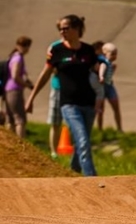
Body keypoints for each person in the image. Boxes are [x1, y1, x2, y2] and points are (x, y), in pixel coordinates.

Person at [26, 15, 99, 176]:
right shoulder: (57, 51)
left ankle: (74, 170)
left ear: (77, 29)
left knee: (83, 141)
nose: (62, 32)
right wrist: (31, 98)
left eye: (66, 28)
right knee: (83, 141)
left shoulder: (88, 50)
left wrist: (104, 72)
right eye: (60, 29)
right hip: (69, 104)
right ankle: (91, 178)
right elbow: (44, 75)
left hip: (88, 103)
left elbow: (97, 71)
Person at [3, 36, 34, 138]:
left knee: (10, 119)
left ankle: (11, 146)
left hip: (7, 90)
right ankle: (21, 146)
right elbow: (15, 75)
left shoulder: (13, 56)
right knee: (20, 119)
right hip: (14, 90)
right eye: (25, 46)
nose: (26, 49)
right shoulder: (18, 58)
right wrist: (26, 84)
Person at [98, 42, 122, 132]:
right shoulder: (103, 62)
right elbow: (102, 68)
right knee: (101, 110)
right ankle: (100, 129)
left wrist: (112, 69)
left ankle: (119, 128)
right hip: (102, 87)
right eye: (112, 54)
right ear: (105, 53)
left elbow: (108, 74)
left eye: (116, 54)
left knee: (116, 107)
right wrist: (101, 77)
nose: (114, 56)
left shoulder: (110, 64)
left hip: (109, 86)